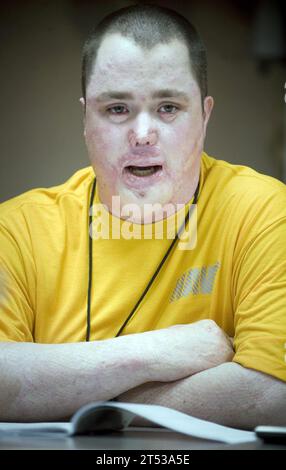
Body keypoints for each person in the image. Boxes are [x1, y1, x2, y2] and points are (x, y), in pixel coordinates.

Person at [0, 4, 285, 428]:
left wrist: (81, 395)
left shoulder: (266, 212)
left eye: (168, 107)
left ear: (205, 116)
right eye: (117, 109)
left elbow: (272, 393)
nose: (143, 134)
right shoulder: (18, 228)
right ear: (84, 118)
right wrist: (158, 352)